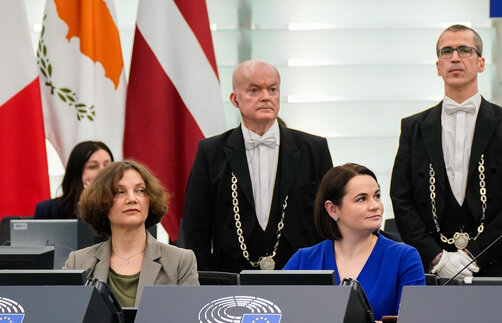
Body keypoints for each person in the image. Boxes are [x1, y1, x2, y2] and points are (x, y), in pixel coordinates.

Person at [390, 24, 502, 279]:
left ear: (481, 63)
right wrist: (436, 257)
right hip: (430, 270)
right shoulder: (414, 127)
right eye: (446, 52)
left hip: (493, 266)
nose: (455, 57)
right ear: (438, 66)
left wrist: (475, 255)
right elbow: (401, 199)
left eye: (465, 50)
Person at [183, 59, 333, 272]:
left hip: (302, 276)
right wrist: (204, 283)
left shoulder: (314, 149)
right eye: (254, 90)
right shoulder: (211, 152)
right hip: (230, 279)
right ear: (235, 99)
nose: (266, 97)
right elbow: (196, 227)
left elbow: (330, 219)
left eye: (272, 89)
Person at [284, 163, 425, 323]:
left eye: (377, 196)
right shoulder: (303, 260)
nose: (375, 206)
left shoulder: (404, 257)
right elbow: (278, 316)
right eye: (361, 199)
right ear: (332, 209)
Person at [64, 160, 198, 307]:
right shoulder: (78, 262)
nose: (132, 199)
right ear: (101, 202)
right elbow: (66, 320)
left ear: (150, 199)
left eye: (140, 190)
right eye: (120, 192)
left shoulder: (180, 261)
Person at [35, 141, 113, 219]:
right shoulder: (47, 210)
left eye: (108, 165)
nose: (103, 171)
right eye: (92, 166)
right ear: (76, 173)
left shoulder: (120, 208)